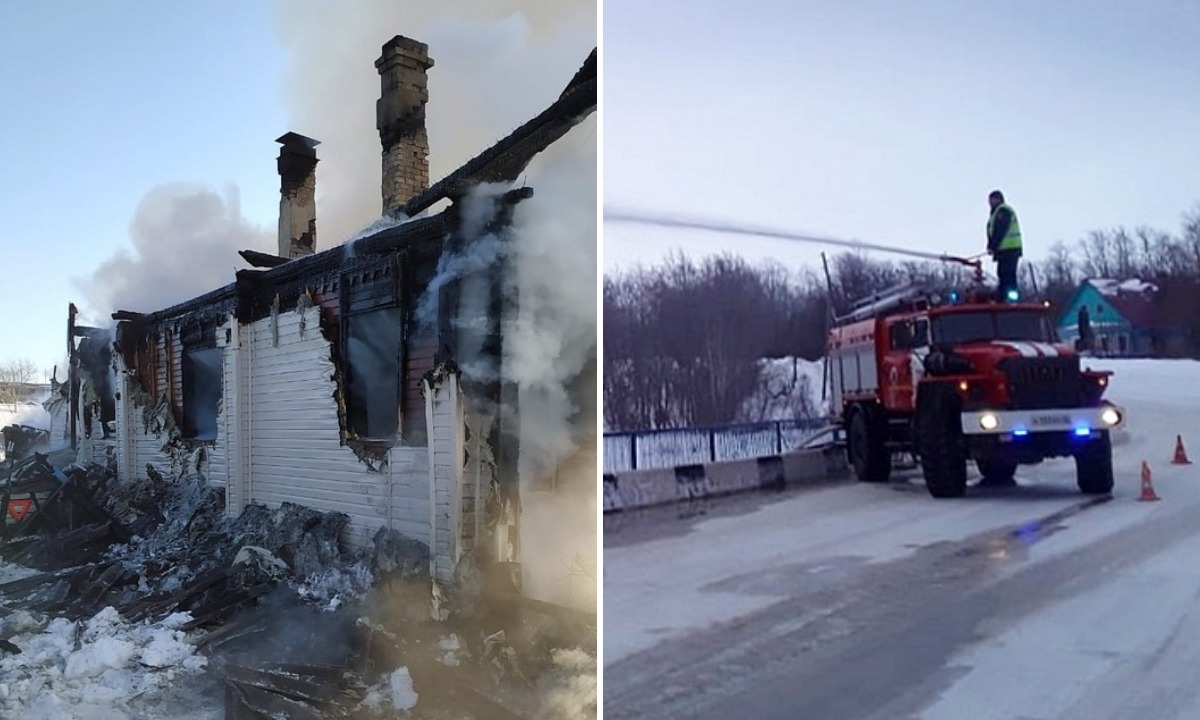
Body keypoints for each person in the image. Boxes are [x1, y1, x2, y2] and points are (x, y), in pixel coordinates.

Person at [986, 190, 1023, 302]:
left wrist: (993, 246)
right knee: (1002, 273)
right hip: (1004, 250)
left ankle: (1008, 296)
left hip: (1009, 249)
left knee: (1008, 274)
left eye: (991, 200)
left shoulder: (1003, 211)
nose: (989, 203)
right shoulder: (996, 213)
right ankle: (1004, 295)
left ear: (997, 199)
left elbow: (1000, 230)